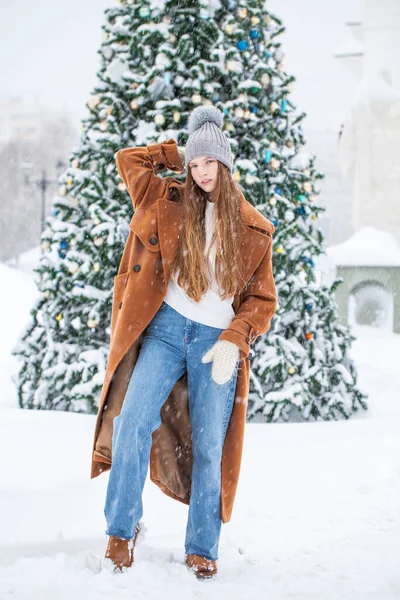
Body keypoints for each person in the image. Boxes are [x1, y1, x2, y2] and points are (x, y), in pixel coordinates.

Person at [92, 106, 277, 578]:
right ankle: (121, 530)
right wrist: (177, 152)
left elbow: (261, 299)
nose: (201, 173)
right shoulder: (166, 196)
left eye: (209, 162)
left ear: (226, 165)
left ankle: (202, 546)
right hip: (166, 331)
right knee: (132, 420)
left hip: (218, 342)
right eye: (195, 165)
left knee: (211, 444)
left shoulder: (252, 228)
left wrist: (236, 338)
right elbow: (128, 159)